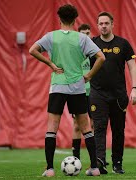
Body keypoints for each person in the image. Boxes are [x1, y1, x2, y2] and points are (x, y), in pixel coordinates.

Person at [29, 4, 105, 177]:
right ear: (75, 19)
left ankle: (49, 169)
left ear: (59, 18)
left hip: (57, 86)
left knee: (52, 127)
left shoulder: (51, 37)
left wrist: (50, 64)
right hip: (78, 87)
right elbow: (101, 57)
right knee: (86, 127)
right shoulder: (82, 38)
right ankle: (94, 168)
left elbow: (32, 50)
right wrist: (89, 76)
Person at [89, 11, 136, 174]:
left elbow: (132, 66)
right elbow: (80, 65)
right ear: (97, 26)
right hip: (98, 94)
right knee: (99, 128)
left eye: (106, 23)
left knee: (118, 130)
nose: (103, 26)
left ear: (112, 24)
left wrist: (135, 88)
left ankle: (117, 163)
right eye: (100, 24)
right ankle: (100, 161)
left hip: (118, 95)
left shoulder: (123, 44)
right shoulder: (91, 44)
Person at [71, 23, 94, 160]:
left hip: (95, 93)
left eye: (88, 33)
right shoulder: (75, 51)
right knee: (77, 126)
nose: (86, 36)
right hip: (79, 93)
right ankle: (76, 158)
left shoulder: (95, 52)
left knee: (94, 124)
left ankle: (96, 158)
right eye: (83, 33)